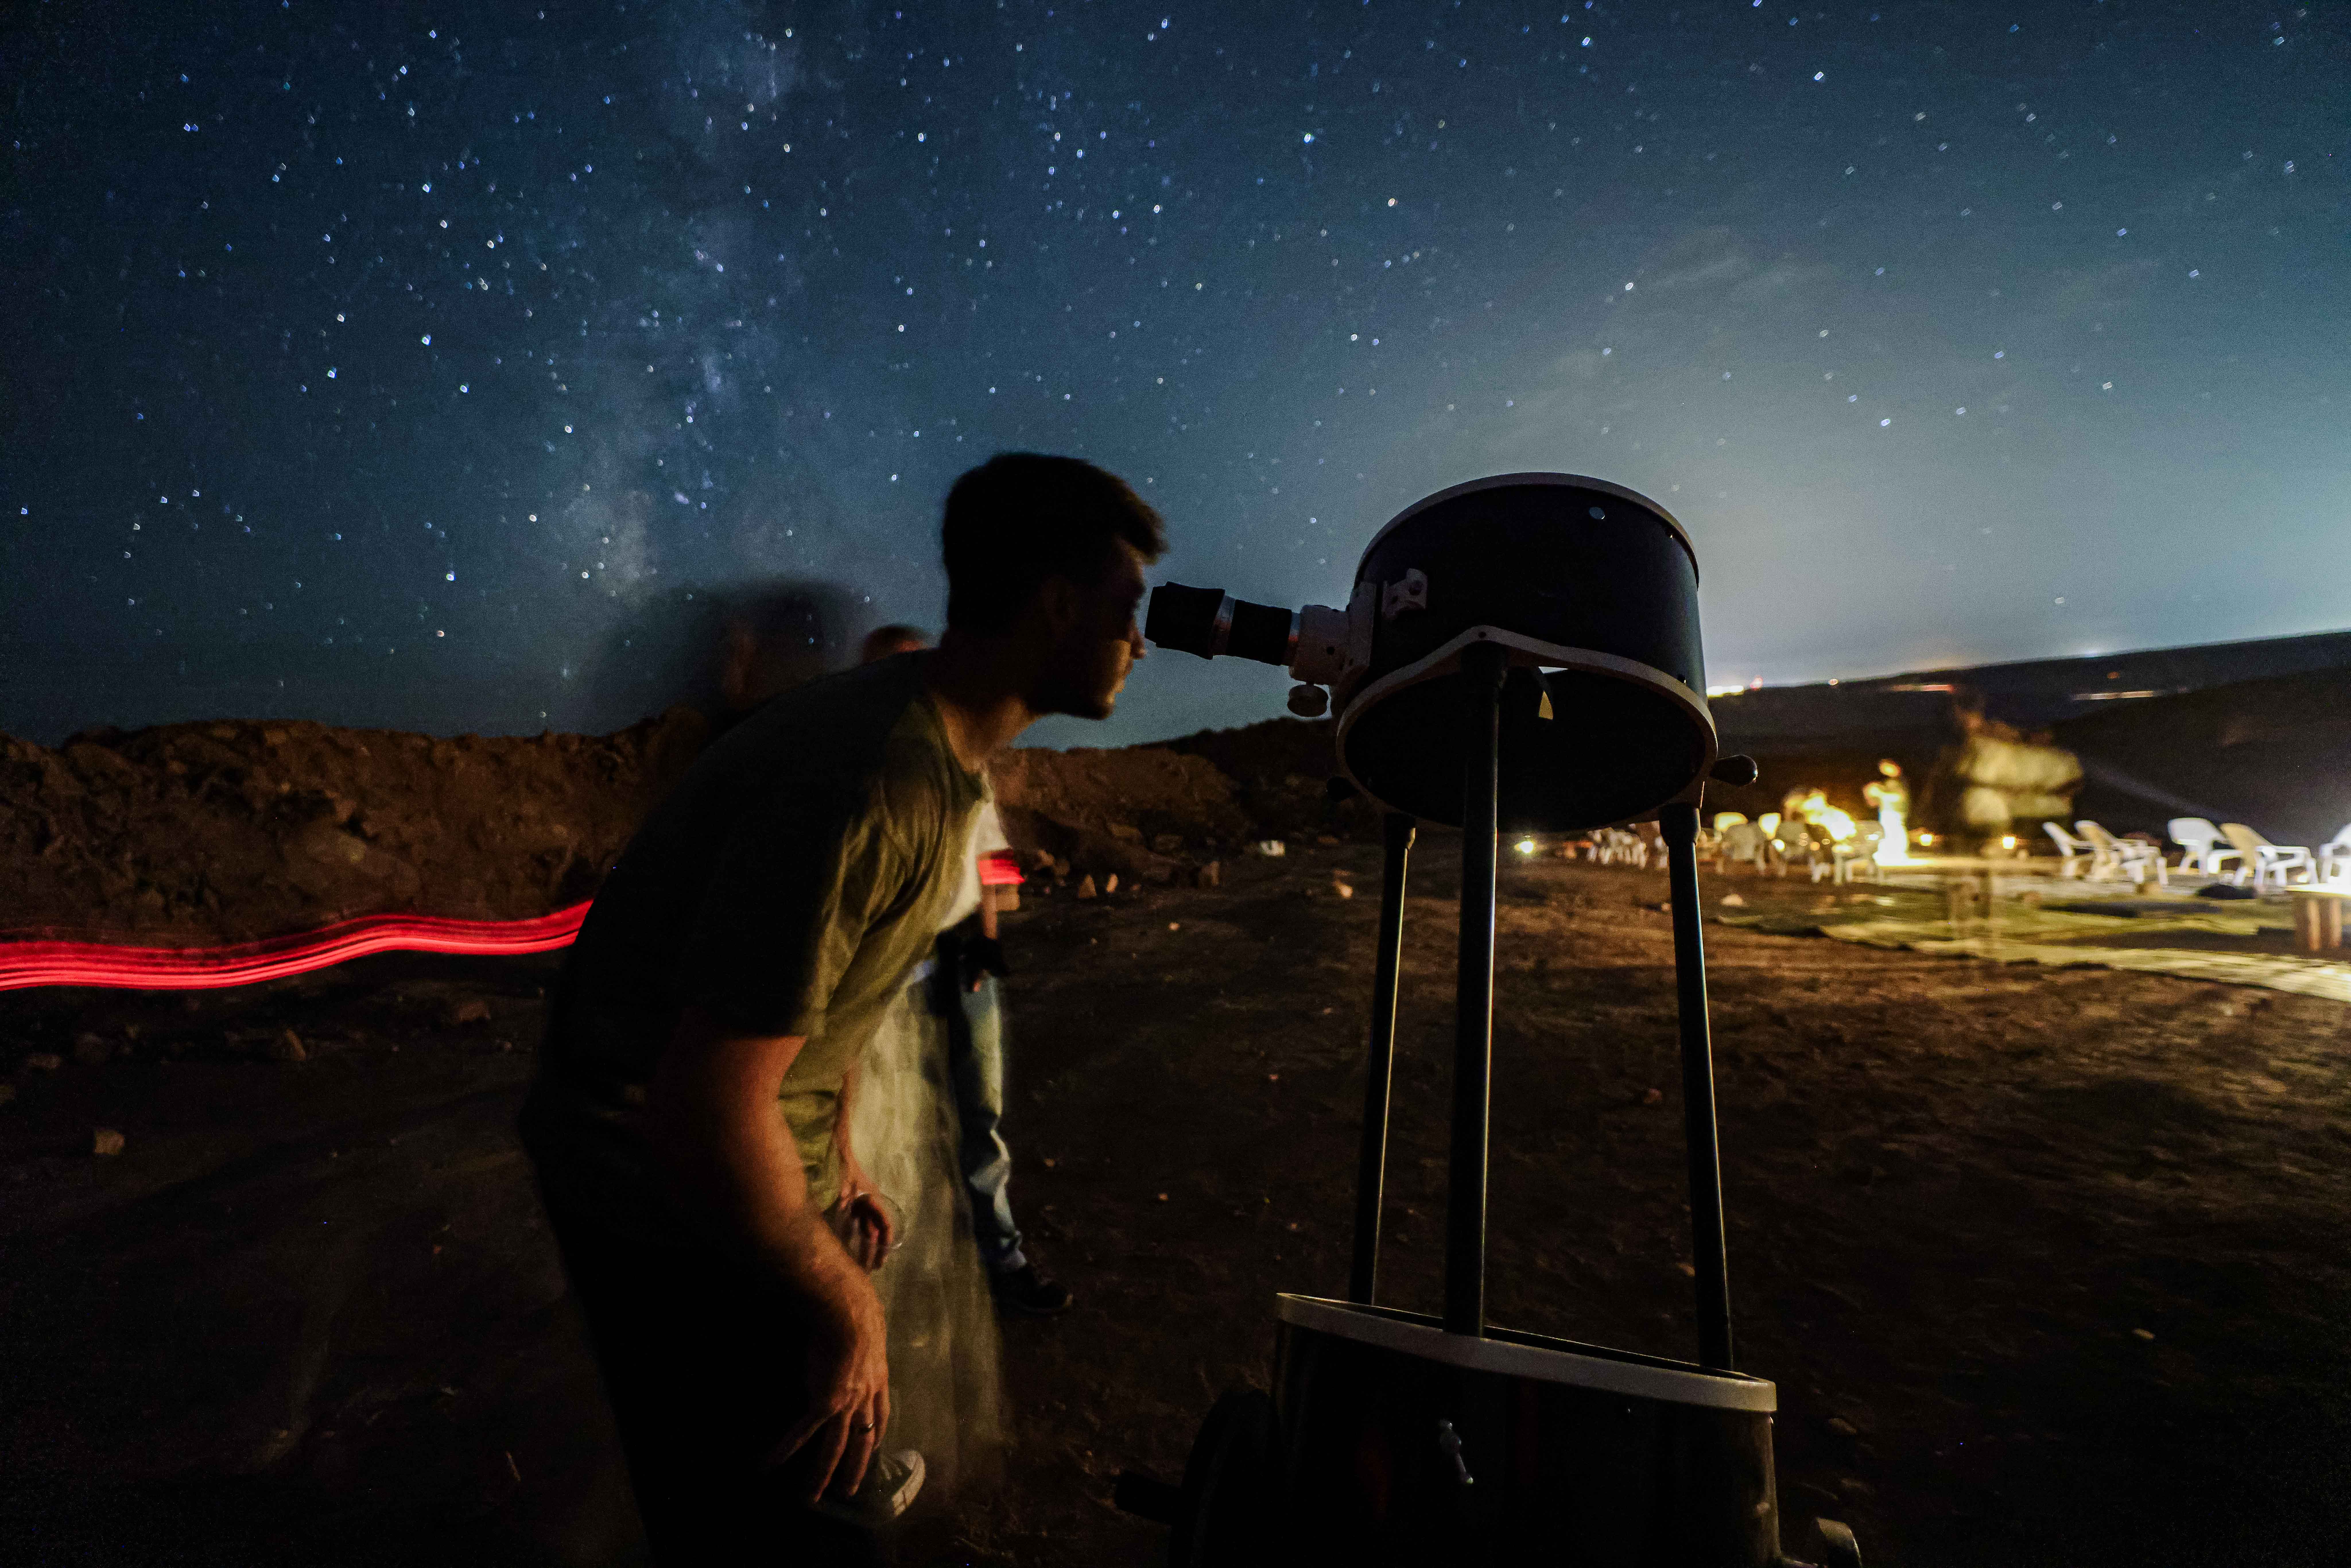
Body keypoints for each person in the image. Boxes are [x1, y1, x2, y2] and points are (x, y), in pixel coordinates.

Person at [519, 453, 1162, 1562]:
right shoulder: (875, 780)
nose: (1138, 643)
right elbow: (704, 1106)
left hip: (703, 1161)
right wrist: (842, 1300)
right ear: (1057, 605)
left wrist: (842, 1155)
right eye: (1125, 609)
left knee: (799, 1488)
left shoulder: (932, 756)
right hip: (666, 1197)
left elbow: (824, 996)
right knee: (780, 1518)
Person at [859, 624, 1072, 1318]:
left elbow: (990, 859)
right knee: (887, 1126)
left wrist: (985, 941)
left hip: (959, 961)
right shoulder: (858, 770)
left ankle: (1001, 1258)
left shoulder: (963, 765)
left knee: (980, 1113)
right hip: (886, 974)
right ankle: (890, 1275)